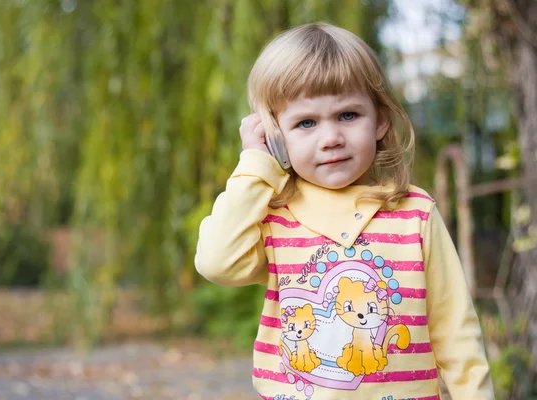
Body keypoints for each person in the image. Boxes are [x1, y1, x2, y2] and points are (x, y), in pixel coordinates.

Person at [195, 22, 494, 400]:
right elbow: (217, 262)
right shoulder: (274, 218)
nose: (332, 138)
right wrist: (255, 164)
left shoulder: (415, 214)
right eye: (305, 123)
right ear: (275, 136)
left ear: (380, 120)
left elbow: (456, 330)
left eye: (348, 115)